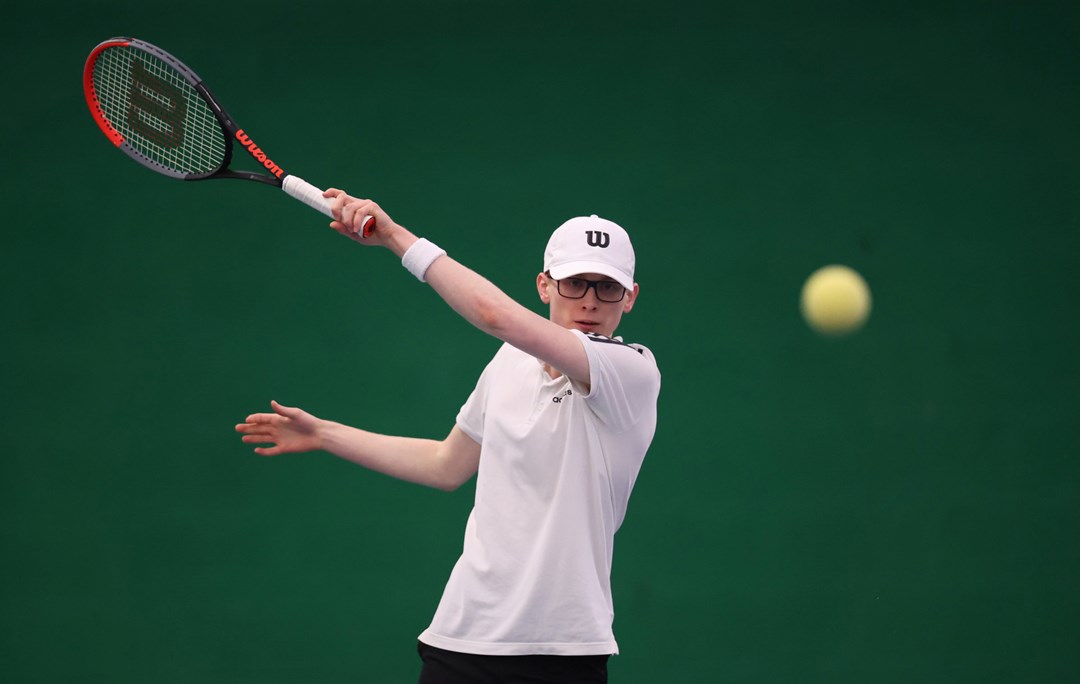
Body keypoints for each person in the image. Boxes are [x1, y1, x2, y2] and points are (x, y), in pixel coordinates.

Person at [235, 189, 661, 684]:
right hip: (459, 639)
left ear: (629, 297)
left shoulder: (632, 371)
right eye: (574, 284)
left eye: (606, 287)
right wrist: (326, 434)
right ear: (544, 286)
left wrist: (394, 237)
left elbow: (494, 315)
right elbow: (446, 465)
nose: (590, 300)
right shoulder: (509, 363)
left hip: (561, 653)